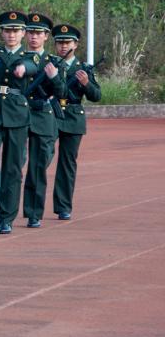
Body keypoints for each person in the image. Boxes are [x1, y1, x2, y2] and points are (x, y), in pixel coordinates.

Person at [0, 11, 36, 234]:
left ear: (23, 33)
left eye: (16, 30)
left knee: (13, 169)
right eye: (7, 30)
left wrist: (24, 69)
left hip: (17, 113)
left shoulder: (29, 56)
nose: (11, 34)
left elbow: (33, 65)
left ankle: (6, 218)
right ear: (2, 33)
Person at [51, 24, 101, 220]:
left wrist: (86, 83)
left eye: (68, 42)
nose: (64, 46)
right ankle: (34, 208)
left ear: (76, 44)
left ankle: (63, 206)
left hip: (73, 117)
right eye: (60, 42)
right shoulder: (50, 65)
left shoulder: (83, 68)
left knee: (67, 163)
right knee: (42, 158)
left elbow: (96, 96)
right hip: (51, 114)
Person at [21, 13, 66, 228]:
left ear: (46, 36)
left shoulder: (53, 62)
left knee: (38, 166)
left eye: (39, 33)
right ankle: (6, 213)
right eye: (30, 32)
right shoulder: (17, 57)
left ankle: (33, 213)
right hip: (20, 112)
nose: (34, 37)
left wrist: (54, 77)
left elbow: (62, 92)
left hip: (42, 114)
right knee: (14, 164)